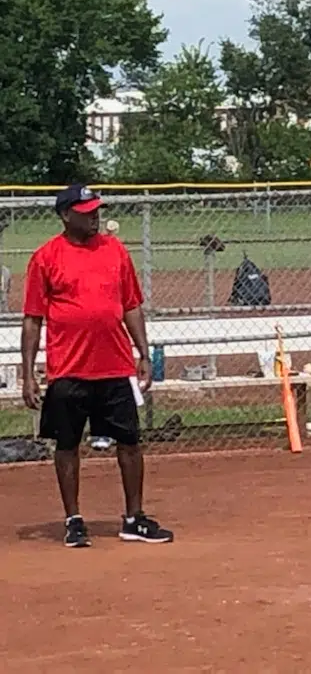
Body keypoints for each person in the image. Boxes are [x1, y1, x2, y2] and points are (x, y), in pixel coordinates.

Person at [21, 184, 174, 548]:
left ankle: (134, 518)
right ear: (65, 215)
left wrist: (143, 354)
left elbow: (131, 304)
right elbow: (32, 320)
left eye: (96, 210)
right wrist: (27, 374)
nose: (95, 216)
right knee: (67, 444)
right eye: (86, 211)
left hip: (115, 365)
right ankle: (74, 520)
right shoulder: (46, 257)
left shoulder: (114, 249)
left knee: (130, 443)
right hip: (68, 369)